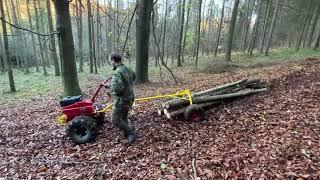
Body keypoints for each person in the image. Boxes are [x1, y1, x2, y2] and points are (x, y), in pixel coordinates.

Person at [107, 52, 136, 143]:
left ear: (113, 60)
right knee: (123, 117)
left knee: (114, 119)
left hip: (121, 100)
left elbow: (117, 89)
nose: (110, 62)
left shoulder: (117, 72)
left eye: (110, 61)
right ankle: (127, 134)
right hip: (130, 98)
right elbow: (134, 77)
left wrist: (111, 87)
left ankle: (131, 133)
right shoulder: (128, 68)